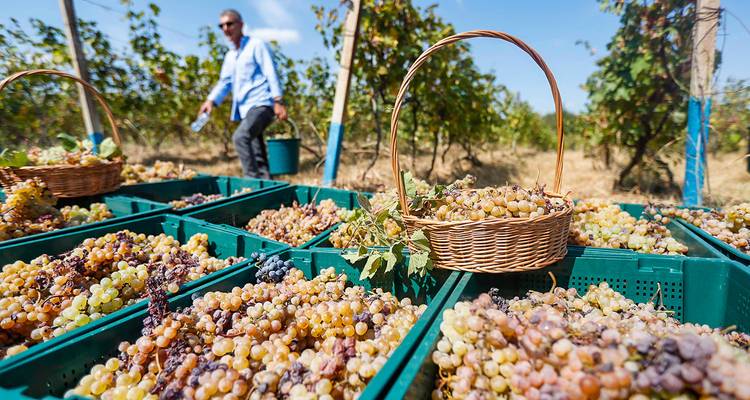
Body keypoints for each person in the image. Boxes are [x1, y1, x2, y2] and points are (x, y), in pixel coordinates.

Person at [199, 9, 287, 179]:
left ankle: (251, 184)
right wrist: (211, 101)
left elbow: (270, 72)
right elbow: (224, 82)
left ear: (241, 25)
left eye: (229, 23)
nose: (226, 28)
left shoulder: (256, 45)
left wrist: (278, 100)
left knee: (240, 137)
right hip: (247, 110)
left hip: (262, 105)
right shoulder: (230, 56)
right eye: (222, 25)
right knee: (257, 154)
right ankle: (267, 187)